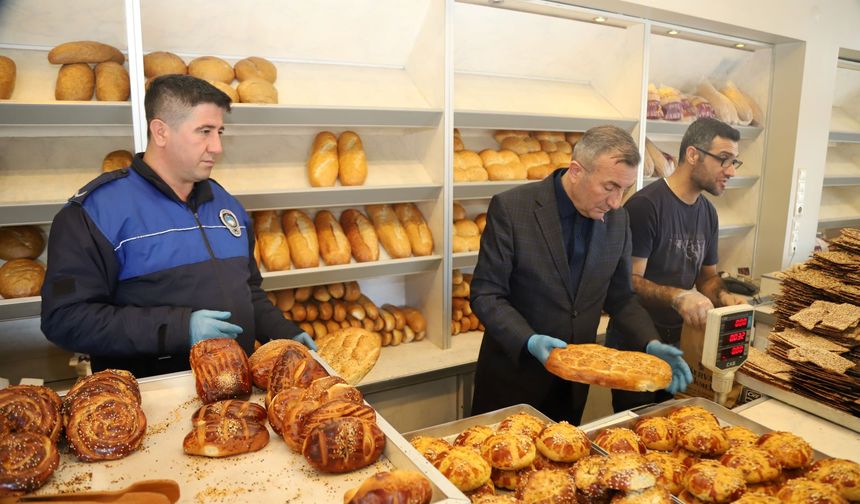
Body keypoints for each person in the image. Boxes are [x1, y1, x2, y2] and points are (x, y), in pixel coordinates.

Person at [41, 74, 315, 378]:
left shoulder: (226, 206)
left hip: (236, 387)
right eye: (205, 131)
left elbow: (248, 291)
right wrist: (180, 328)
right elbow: (65, 319)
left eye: (220, 131)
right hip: (153, 403)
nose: (218, 147)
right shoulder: (94, 213)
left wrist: (284, 334)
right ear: (161, 132)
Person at [469, 125, 692, 425]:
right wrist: (530, 340)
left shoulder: (618, 219)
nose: (616, 201)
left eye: (624, 189)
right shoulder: (512, 209)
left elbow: (621, 298)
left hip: (572, 387)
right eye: (609, 187)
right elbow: (486, 294)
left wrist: (649, 343)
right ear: (576, 171)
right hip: (513, 379)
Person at [607, 117, 748, 412]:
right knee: (637, 434)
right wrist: (678, 296)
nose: (731, 171)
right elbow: (629, 280)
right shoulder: (647, 206)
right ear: (693, 154)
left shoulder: (707, 213)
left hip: (681, 341)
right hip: (638, 343)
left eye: (735, 161)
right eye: (723, 159)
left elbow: (707, 277)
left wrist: (723, 296)